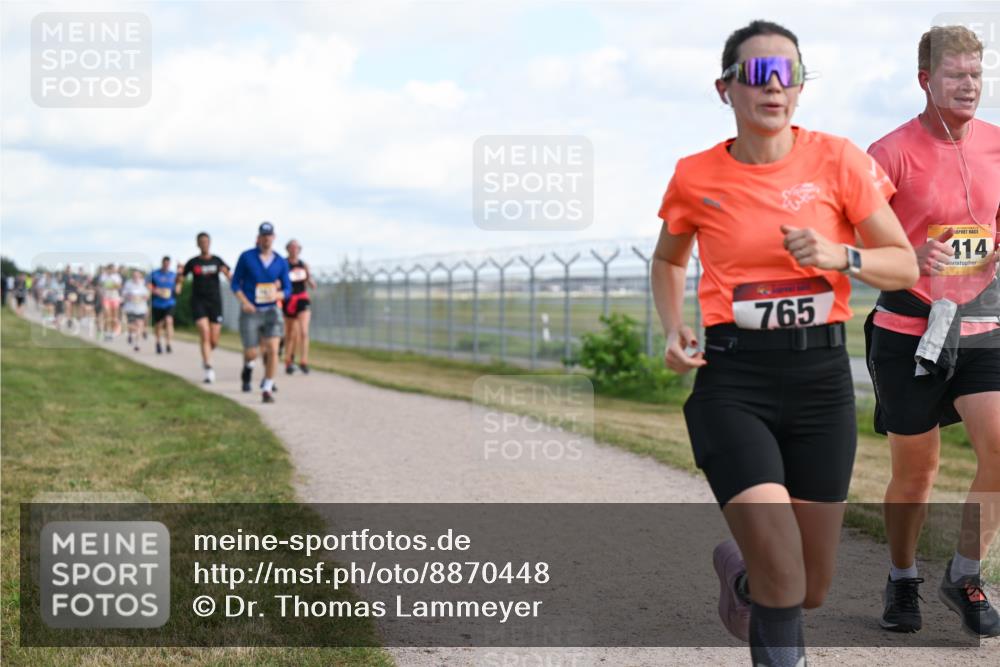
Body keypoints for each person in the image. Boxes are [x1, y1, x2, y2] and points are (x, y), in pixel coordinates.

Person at [652, 20, 918, 666]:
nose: (775, 88)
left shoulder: (839, 160)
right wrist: (673, 327)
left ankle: (743, 574)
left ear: (799, 88)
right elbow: (667, 260)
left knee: (810, 586)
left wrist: (839, 254)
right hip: (734, 382)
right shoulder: (694, 175)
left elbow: (904, 265)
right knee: (784, 568)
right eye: (759, 74)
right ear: (726, 88)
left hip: (822, 381)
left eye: (789, 74)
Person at [865, 25, 1000, 637]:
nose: (969, 84)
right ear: (926, 80)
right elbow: (857, 249)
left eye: (976, 73)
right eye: (956, 75)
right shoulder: (887, 153)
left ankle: (966, 572)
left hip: (981, 326)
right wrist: (909, 256)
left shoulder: (999, 146)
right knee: (916, 472)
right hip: (906, 329)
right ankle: (901, 579)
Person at [230, 222, 290, 403]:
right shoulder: (247, 257)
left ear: (274, 237)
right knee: (252, 352)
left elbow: (287, 288)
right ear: (259, 237)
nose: (266, 238)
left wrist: (278, 293)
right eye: (263, 235)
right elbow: (235, 283)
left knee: (272, 349)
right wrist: (245, 302)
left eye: (269, 235)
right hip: (251, 310)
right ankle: (248, 367)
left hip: (271, 310)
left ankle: (267, 387)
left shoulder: (280, 261)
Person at [177, 233, 231, 383]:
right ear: (197, 244)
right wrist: (179, 275)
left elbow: (229, 275)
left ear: (210, 243)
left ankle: (207, 355)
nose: (204, 244)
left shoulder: (217, 260)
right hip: (198, 301)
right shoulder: (193, 262)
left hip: (215, 302)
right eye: (201, 242)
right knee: (204, 333)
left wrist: (232, 278)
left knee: (214, 340)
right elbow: (181, 278)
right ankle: (208, 367)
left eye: (206, 241)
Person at [282, 239, 317, 374]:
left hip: (302, 298)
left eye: (297, 247)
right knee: (291, 333)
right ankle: (289, 360)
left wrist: (311, 283)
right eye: (292, 247)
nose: (294, 249)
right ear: (288, 249)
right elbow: (280, 280)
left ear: (299, 250)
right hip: (289, 299)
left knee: (303, 331)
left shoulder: (304, 265)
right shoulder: (284, 264)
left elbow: (309, 280)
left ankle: (304, 361)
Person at [148, 256, 177, 354]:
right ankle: (158, 342)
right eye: (165, 263)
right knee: (159, 325)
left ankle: (168, 343)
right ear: (162, 263)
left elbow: (178, 286)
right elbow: (148, 284)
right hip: (157, 303)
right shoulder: (155, 274)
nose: (166, 265)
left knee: (169, 321)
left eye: (168, 264)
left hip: (170, 302)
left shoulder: (173, 275)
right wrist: (155, 290)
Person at [121, 269, 150, 352]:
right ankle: (130, 334)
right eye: (134, 276)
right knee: (131, 326)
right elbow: (124, 293)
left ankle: (137, 344)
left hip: (141, 308)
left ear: (140, 276)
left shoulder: (143, 284)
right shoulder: (128, 284)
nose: (136, 277)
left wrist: (144, 297)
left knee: (139, 325)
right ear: (132, 276)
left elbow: (147, 295)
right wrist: (129, 296)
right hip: (130, 308)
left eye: (137, 276)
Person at [99, 264, 123, 340]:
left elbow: (119, 286)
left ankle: (113, 332)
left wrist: (110, 285)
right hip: (106, 297)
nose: (113, 270)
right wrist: (112, 285)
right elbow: (102, 285)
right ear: (108, 269)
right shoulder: (103, 276)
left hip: (115, 298)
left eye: (114, 269)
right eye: (111, 269)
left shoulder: (117, 276)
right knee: (107, 315)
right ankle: (106, 332)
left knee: (114, 316)